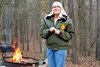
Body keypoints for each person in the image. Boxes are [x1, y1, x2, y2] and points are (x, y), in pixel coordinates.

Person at [40, 1, 74, 67]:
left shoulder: (67, 20)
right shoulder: (47, 19)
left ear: (61, 8)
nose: (56, 8)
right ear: (52, 8)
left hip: (61, 49)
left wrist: (60, 33)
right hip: (50, 48)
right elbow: (42, 33)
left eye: (58, 6)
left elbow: (70, 35)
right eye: (54, 7)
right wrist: (49, 30)